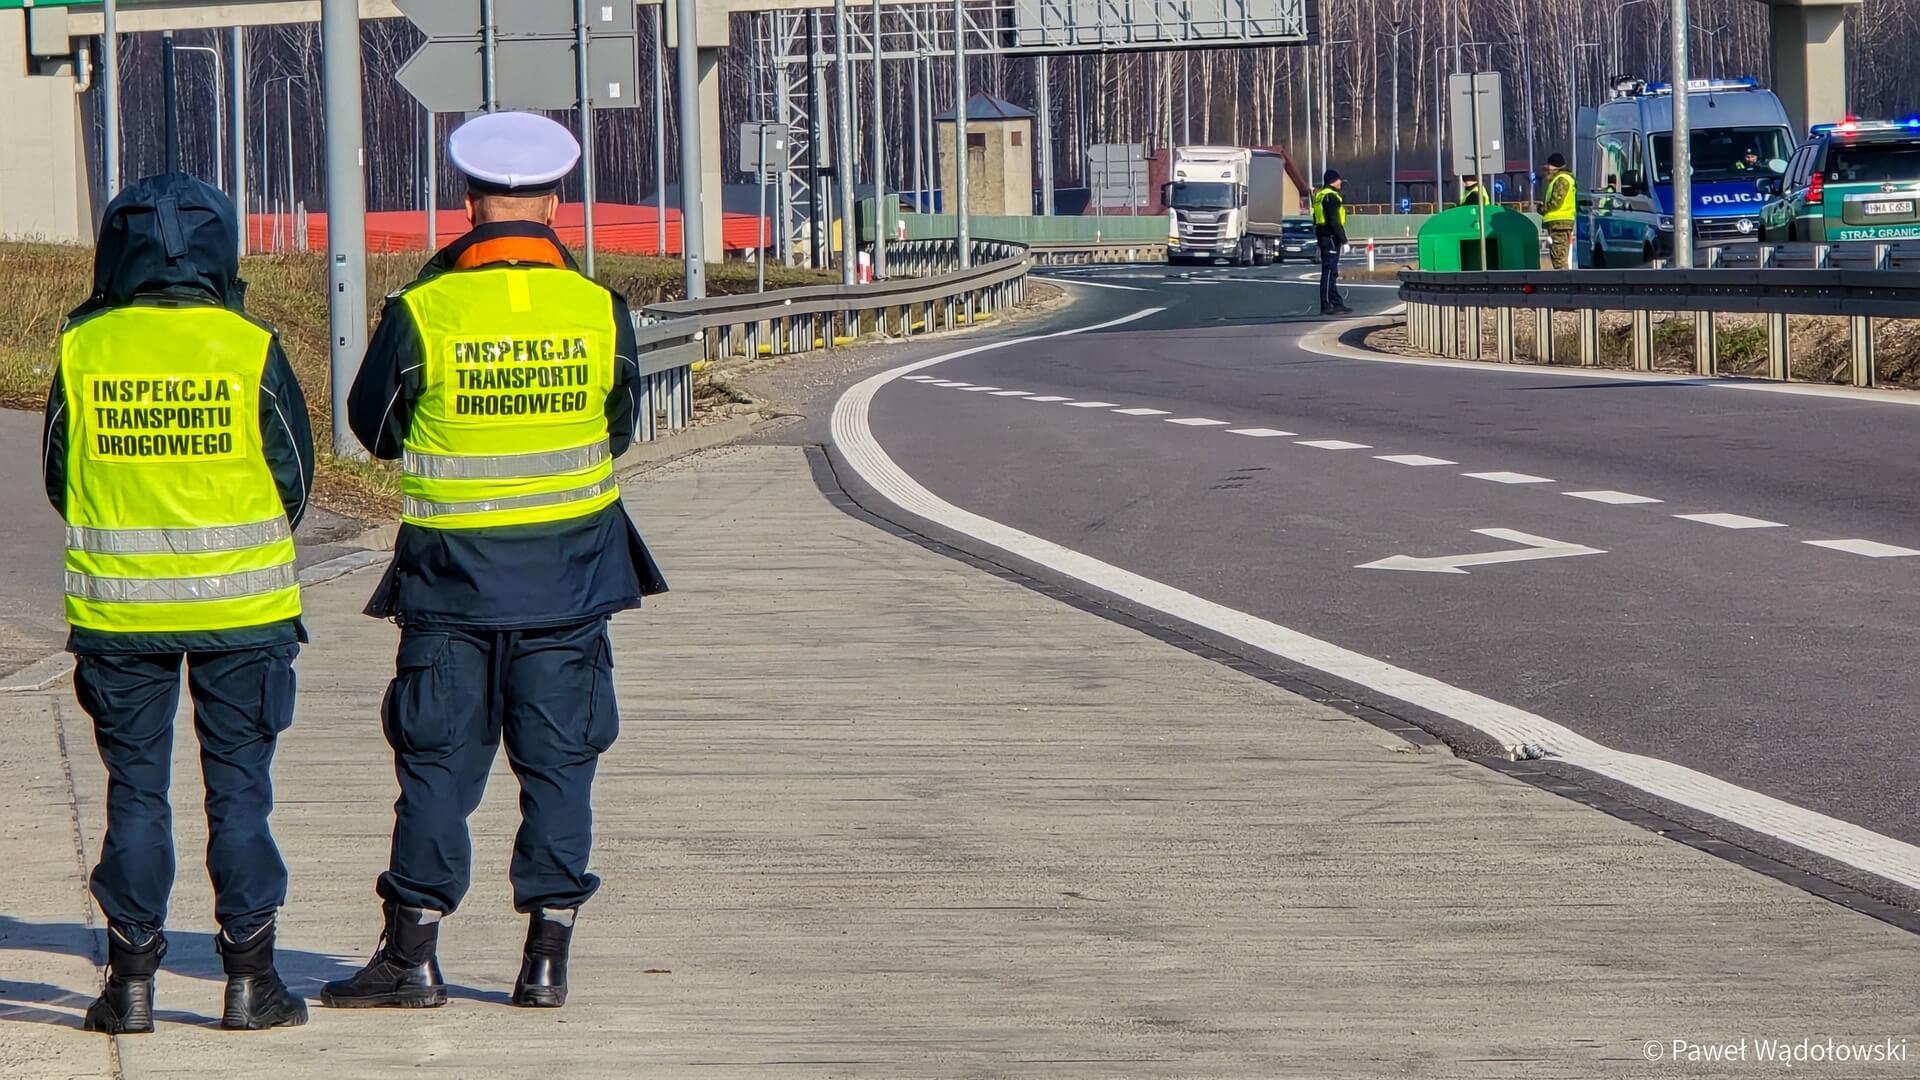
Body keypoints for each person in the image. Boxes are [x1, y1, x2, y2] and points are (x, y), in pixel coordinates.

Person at [322, 111, 667, 1012]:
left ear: (467, 201)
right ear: (554, 202)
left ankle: (412, 957)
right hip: (570, 582)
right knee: (561, 766)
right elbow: (619, 428)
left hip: (450, 586)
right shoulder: (598, 310)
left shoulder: (423, 312)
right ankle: (545, 960)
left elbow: (376, 432)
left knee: (438, 766)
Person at [43, 173, 315, 1034]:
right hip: (243, 615)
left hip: (121, 618)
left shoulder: (83, 351)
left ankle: (128, 986)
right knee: (239, 792)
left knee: (137, 794)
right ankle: (250, 981)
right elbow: (296, 479)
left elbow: (60, 476)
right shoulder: (249, 345)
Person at [1311, 169, 1352, 316]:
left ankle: (1337, 303)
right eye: (1339, 179)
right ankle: (1326, 303)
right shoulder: (1331, 196)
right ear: (1334, 180)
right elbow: (1334, 221)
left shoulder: (1320, 195)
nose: (1340, 182)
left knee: (1332, 271)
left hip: (1324, 235)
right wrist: (1344, 240)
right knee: (1328, 271)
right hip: (1329, 237)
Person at [1541, 153, 1578, 270]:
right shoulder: (1561, 179)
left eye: (1549, 165)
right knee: (1559, 257)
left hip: (1560, 224)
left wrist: (1542, 209)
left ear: (1555, 166)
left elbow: (1556, 202)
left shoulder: (1562, 180)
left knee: (1559, 259)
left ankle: (1564, 284)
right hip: (1559, 224)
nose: (1547, 168)